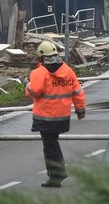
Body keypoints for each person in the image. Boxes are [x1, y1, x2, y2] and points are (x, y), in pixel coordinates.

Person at [26, 41, 86, 188]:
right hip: (62, 116)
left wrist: (27, 84)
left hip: (45, 117)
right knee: (52, 144)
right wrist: (80, 110)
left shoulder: (39, 73)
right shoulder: (67, 70)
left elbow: (34, 92)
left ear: (41, 56)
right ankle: (56, 174)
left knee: (50, 146)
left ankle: (57, 174)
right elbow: (78, 92)